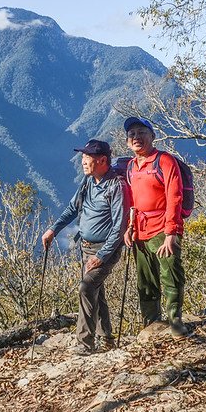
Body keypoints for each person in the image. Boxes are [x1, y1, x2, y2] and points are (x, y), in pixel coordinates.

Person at [41, 139, 129, 355]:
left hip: (105, 250)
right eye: (83, 157)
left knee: (86, 287)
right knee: (95, 292)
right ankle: (106, 337)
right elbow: (73, 208)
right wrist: (54, 229)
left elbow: (120, 226)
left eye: (87, 157)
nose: (82, 161)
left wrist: (101, 256)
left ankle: (84, 344)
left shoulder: (116, 185)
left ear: (102, 160)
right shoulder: (89, 181)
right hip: (86, 247)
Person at [123, 117, 189, 338]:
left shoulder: (164, 161)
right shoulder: (132, 166)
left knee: (171, 273)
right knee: (146, 278)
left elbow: (175, 197)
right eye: (132, 134)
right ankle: (150, 322)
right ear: (127, 142)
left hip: (163, 228)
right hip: (140, 230)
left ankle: (175, 320)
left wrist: (171, 233)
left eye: (142, 132)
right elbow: (133, 200)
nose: (136, 137)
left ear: (152, 136)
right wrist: (130, 227)